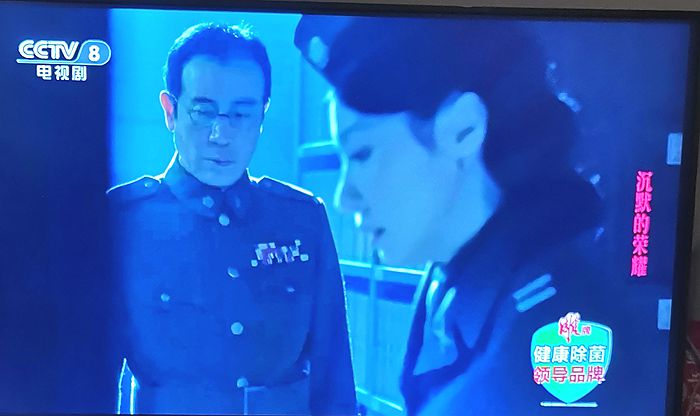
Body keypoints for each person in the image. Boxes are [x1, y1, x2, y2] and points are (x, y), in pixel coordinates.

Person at [295, 16, 666, 415]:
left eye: (362, 153)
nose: (344, 198)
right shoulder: (451, 275)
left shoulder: (560, 327)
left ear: (462, 128)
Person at [108, 22, 357, 415]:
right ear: (171, 111)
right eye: (203, 112)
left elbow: (334, 381)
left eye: (241, 114)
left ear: (263, 114)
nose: (221, 135)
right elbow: (89, 382)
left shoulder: (301, 219)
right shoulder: (124, 222)